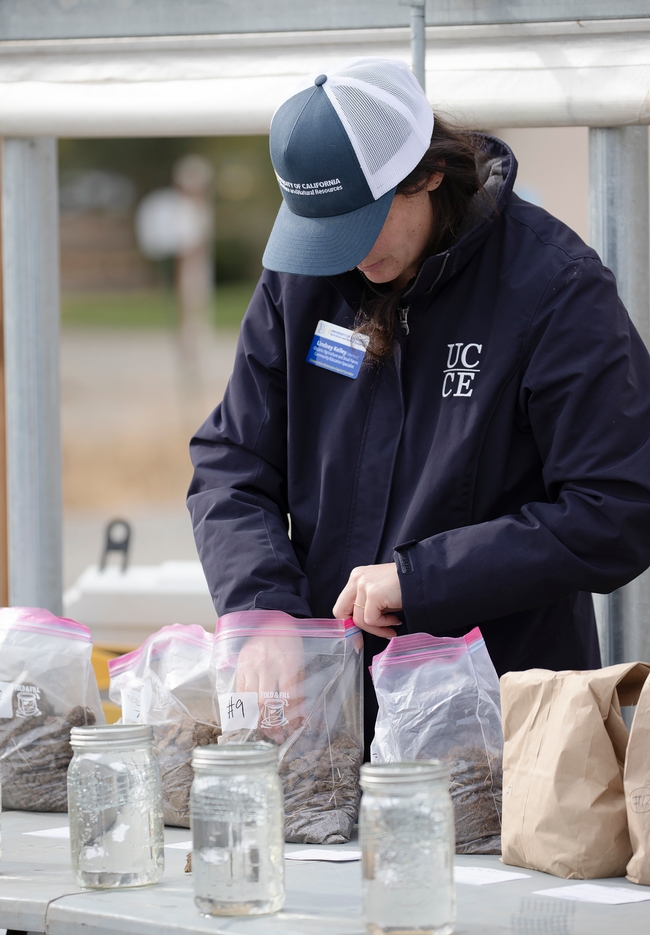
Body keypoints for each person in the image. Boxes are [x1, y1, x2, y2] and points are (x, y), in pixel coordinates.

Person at [188, 58, 650, 755]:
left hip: (501, 731)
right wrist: (261, 607)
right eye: (323, 229)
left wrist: (423, 580)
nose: (345, 253)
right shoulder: (302, 279)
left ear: (429, 173)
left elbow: (619, 506)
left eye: (360, 222)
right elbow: (232, 460)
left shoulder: (553, 288)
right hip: (327, 726)